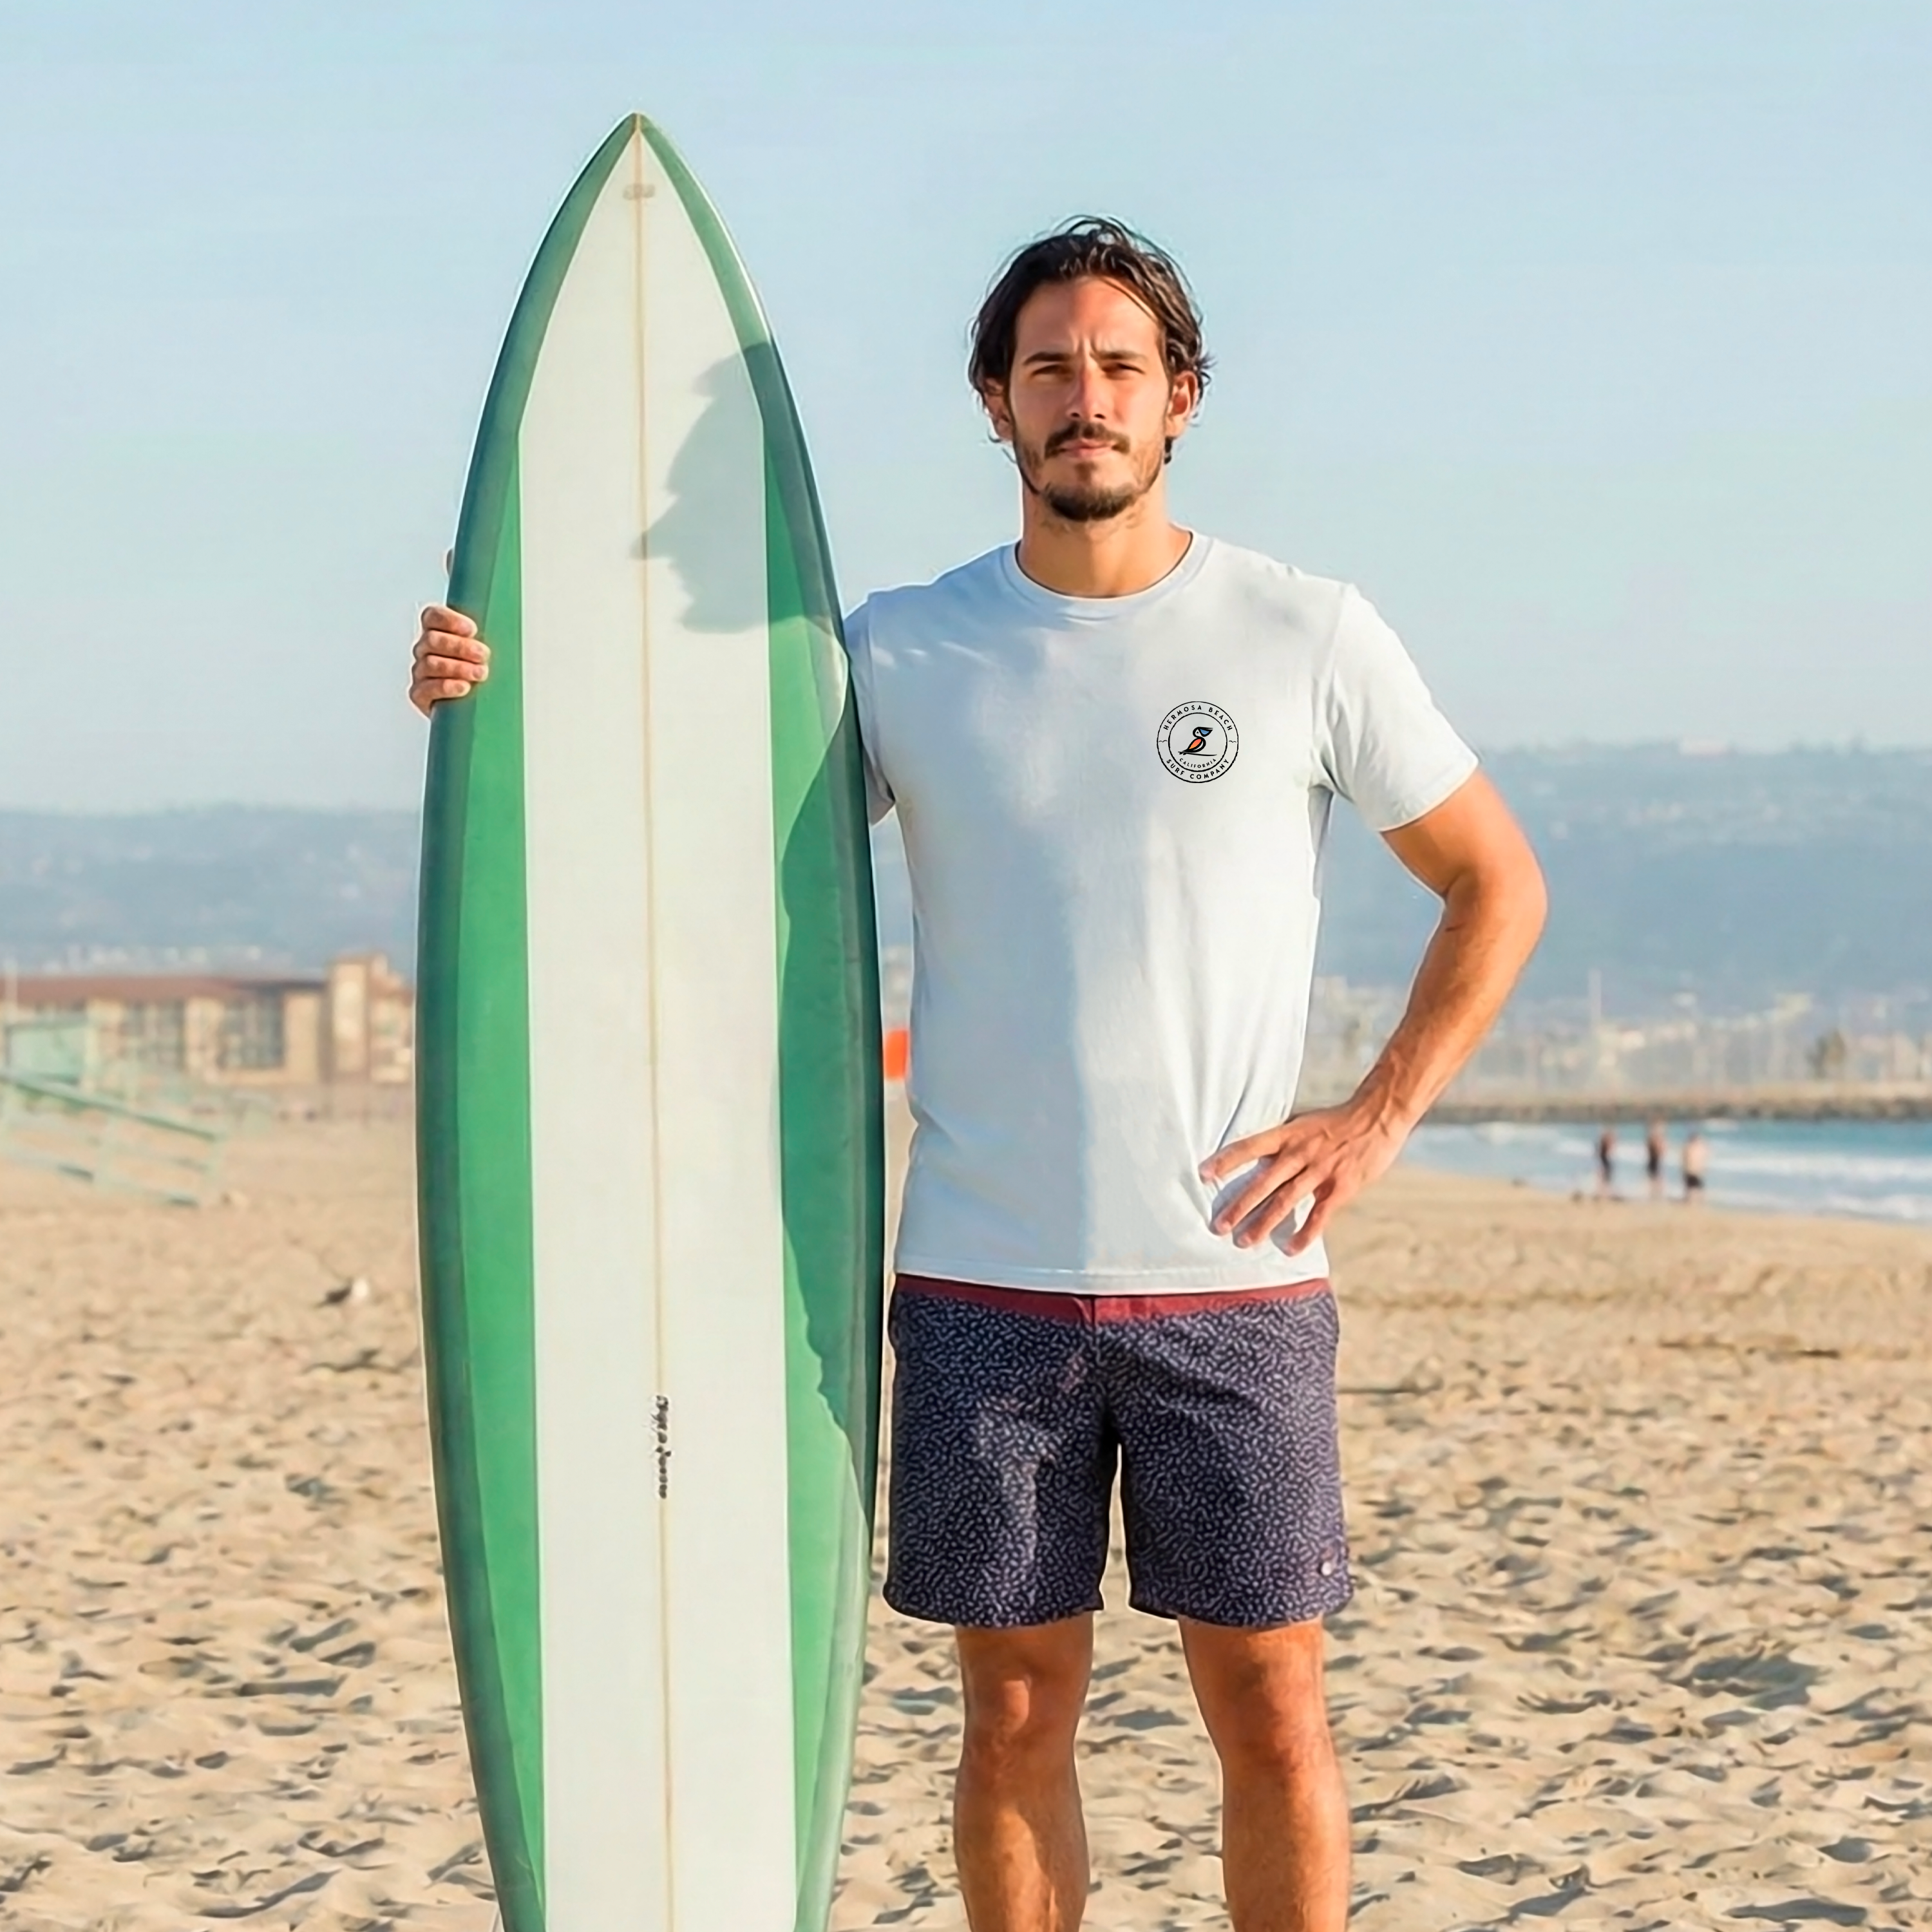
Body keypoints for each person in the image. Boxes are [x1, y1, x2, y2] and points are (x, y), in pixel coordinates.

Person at [411, 218, 1547, 1932]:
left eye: (1117, 368)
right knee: (1012, 1713)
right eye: (1048, 371)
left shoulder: (1302, 632)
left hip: (1234, 1279)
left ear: (1180, 402)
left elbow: (1495, 883)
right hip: (980, 1284)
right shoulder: (897, 651)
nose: (1082, 398)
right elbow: (672, 818)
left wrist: (1376, 1115)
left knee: (1275, 1710)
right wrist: (487, 697)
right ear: (994, 406)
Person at [1645, 1117, 1668, 1201]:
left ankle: (1655, 1194)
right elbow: (1660, 1150)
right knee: (1656, 1178)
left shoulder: (1652, 1140)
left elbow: (1661, 1150)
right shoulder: (1653, 1141)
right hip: (1654, 1160)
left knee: (1655, 1178)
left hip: (1654, 1160)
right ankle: (1656, 1195)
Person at [1683, 1126, 1709, 1203]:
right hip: (1693, 1171)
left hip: (1691, 1171)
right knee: (1696, 1188)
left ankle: (1691, 1201)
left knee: (1692, 1188)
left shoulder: (1689, 1147)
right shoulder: (1691, 1148)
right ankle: (1693, 1201)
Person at [1595, 1123, 1617, 1198]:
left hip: (1604, 1159)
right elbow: (1611, 1146)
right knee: (1606, 1177)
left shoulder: (1603, 1143)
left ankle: (1603, 1192)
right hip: (1605, 1160)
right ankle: (1604, 1192)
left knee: (1605, 1177)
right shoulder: (1604, 1143)